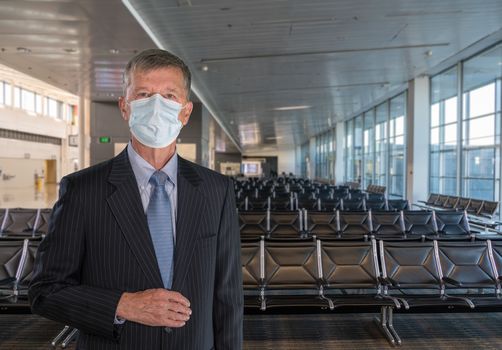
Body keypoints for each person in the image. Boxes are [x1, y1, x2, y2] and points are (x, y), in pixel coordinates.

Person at [29, 49, 243, 350]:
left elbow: (228, 297)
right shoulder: (83, 190)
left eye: (169, 96)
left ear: (185, 111)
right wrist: (122, 305)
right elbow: (44, 292)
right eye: (143, 94)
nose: (156, 105)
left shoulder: (215, 190)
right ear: (125, 107)